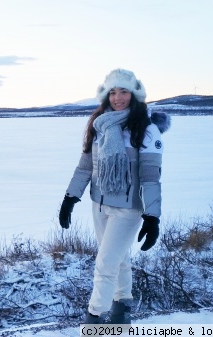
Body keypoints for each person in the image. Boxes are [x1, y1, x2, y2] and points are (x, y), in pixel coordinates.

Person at [58, 68, 171, 324]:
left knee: (105, 264)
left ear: (135, 94)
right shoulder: (100, 126)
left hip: (128, 209)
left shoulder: (146, 130)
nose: (118, 98)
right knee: (118, 260)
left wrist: (152, 217)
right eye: (113, 92)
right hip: (99, 204)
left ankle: (94, 319)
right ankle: (121, 313)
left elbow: (151, 178)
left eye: (124, 91)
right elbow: (85, 167)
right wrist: (70, 198)